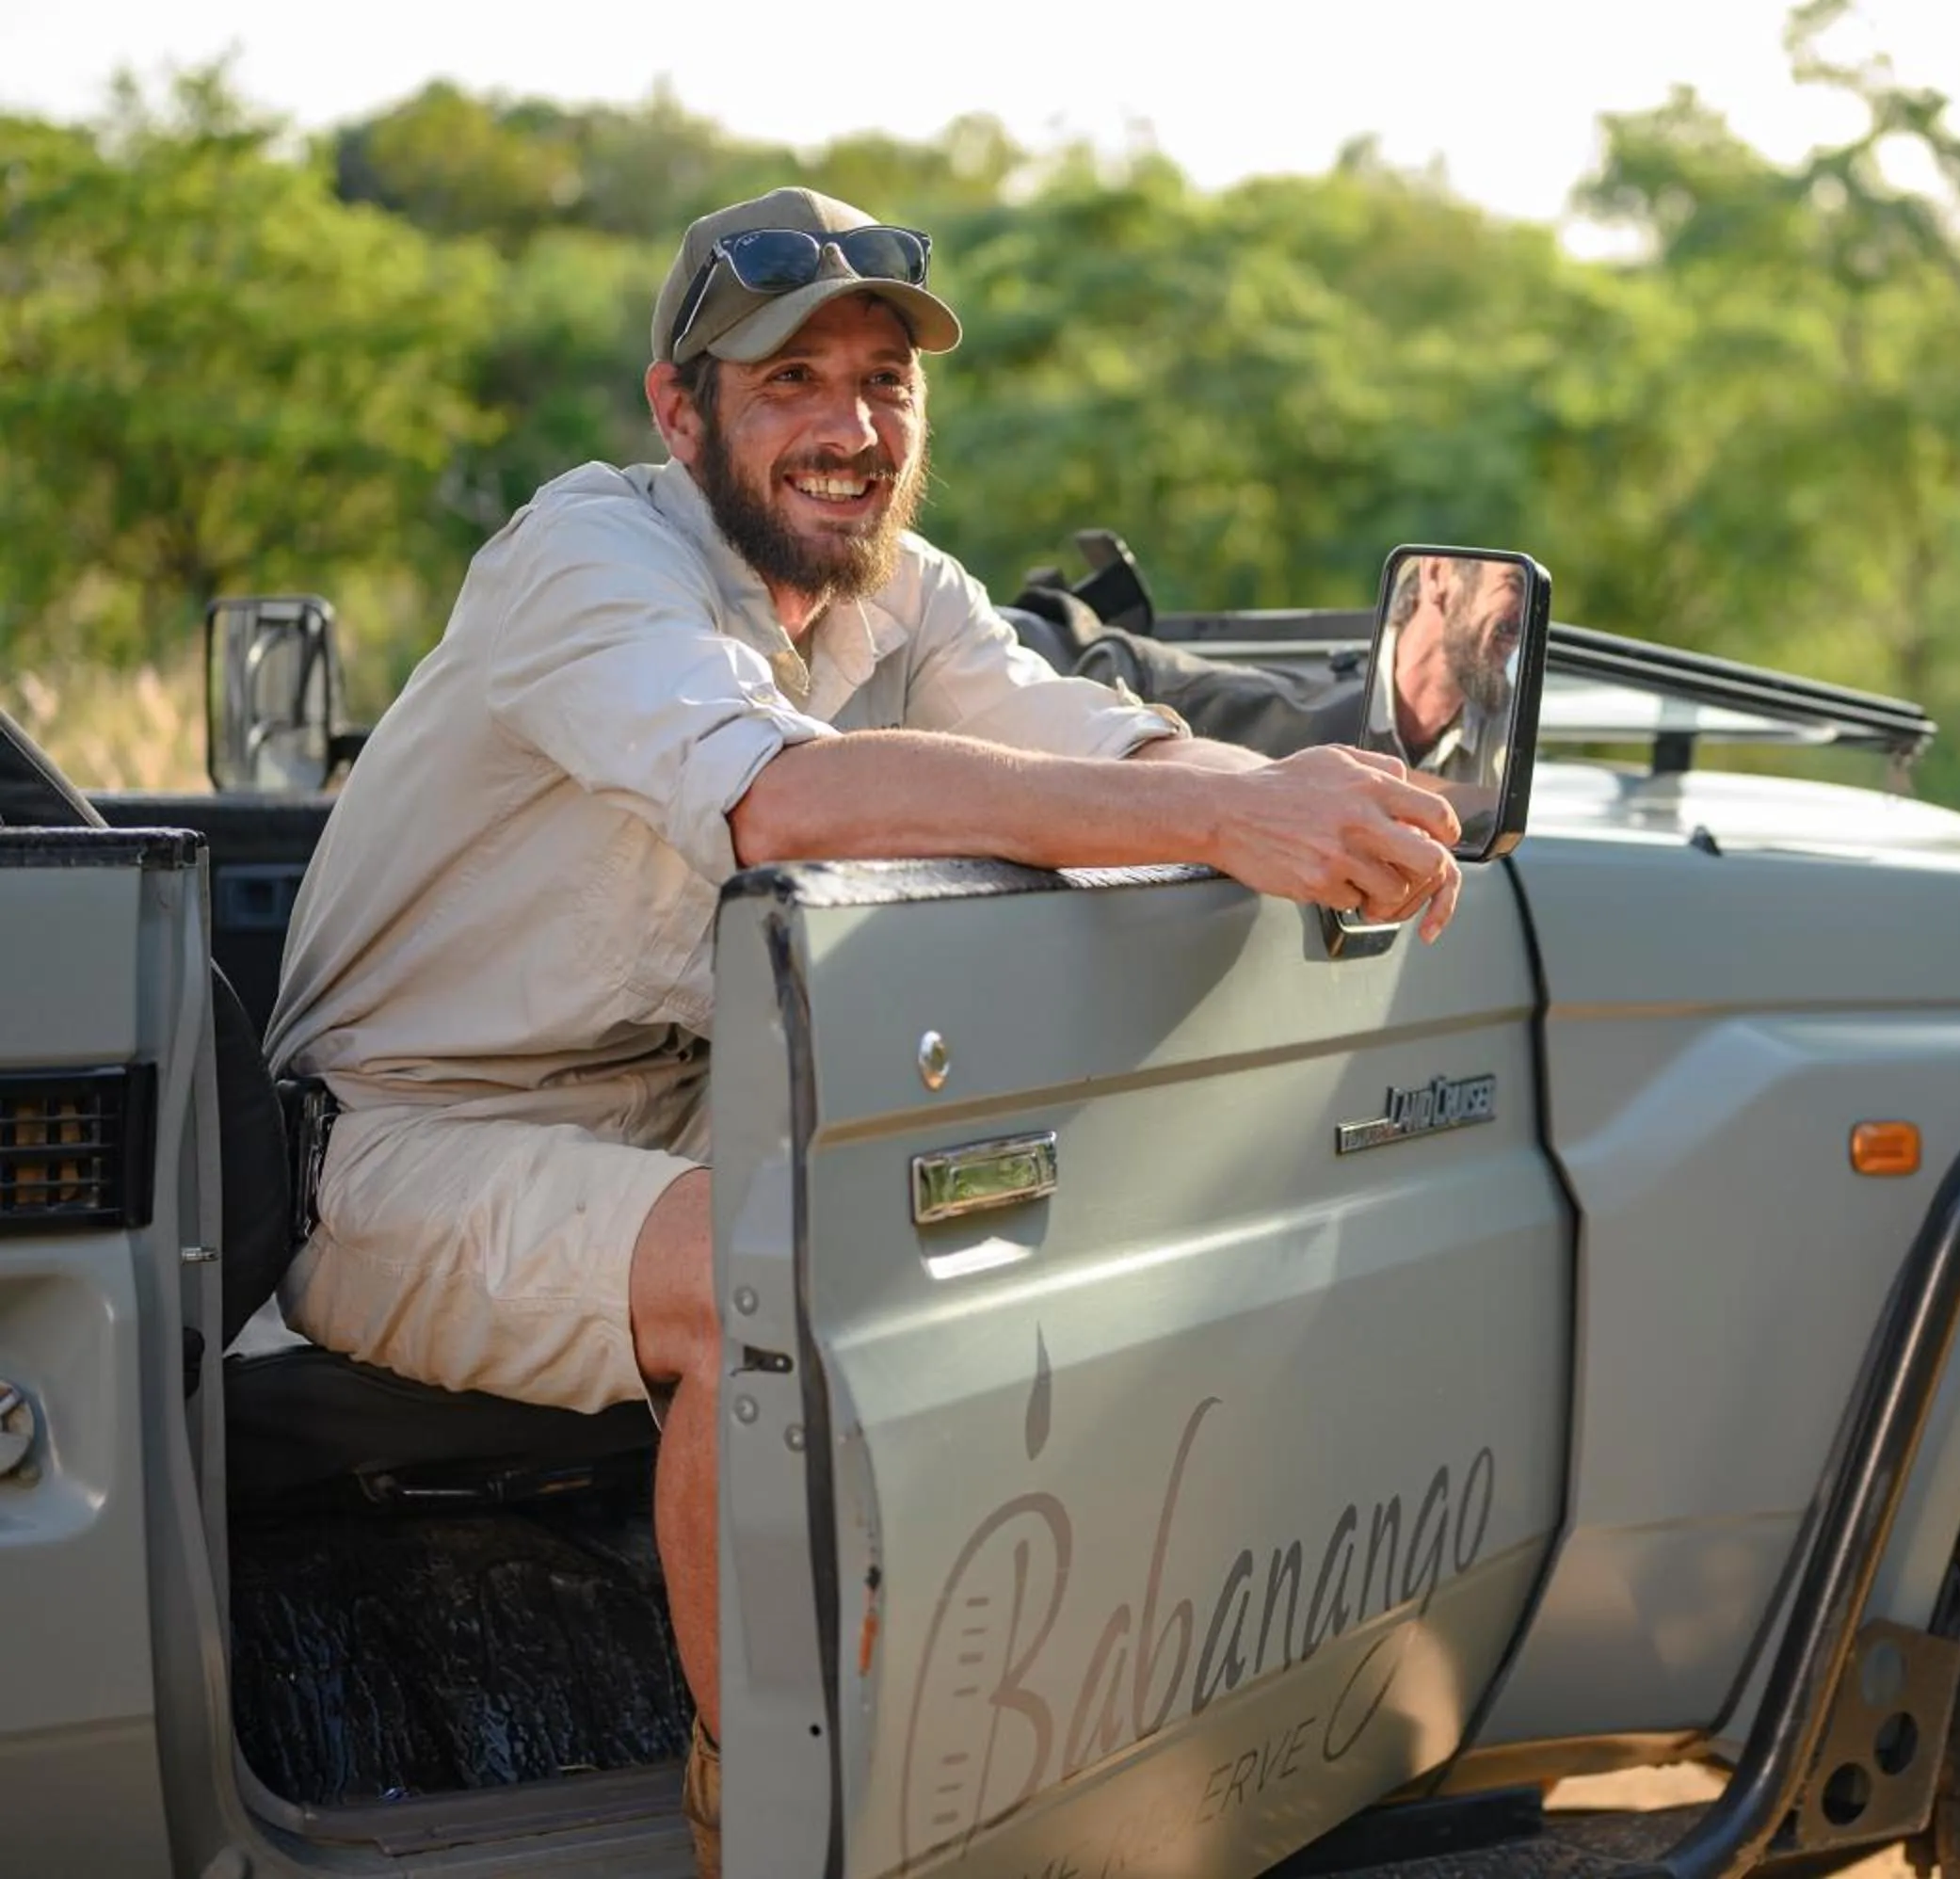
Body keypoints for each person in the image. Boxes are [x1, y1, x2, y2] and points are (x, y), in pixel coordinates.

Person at [261, 185, 1463, 1874]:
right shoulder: (584, 554)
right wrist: (1225, 829)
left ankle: (1058, 1747)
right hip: (392, 1145)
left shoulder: (906, 597)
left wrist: (1300, 798)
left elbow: (1098, 744)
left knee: (1010, 1227)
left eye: (888, 383)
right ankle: (774, 1818)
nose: (853, 428)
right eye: (793, 382)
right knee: (779, 1272)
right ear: (682, 414)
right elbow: (779, 802)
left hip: (674, 1118)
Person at [1362, 551, 1525, 793]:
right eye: (1514, 585)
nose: (1524, 619)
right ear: (1437, 575)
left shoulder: (1508, 728)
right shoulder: (1321, 700)